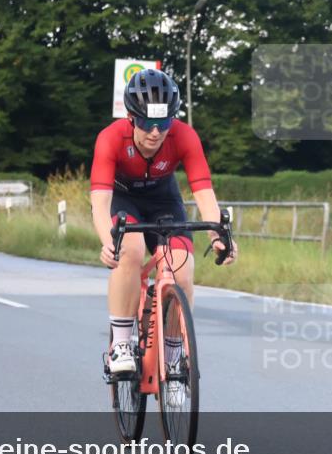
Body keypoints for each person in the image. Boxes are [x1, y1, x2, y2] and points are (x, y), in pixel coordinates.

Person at [90, 68, 236, 378]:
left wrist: (217, 236)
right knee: (129, 249)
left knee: (182, 267)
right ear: (131, 118)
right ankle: (121, 344)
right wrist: (107, 241)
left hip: (164, 200)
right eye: (146, 123)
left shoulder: (185, 136)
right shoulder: (110, 138)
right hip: (124, 200)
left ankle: (173, 356)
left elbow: (204, 193)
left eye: (163, 123)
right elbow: (100, 203)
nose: (155, 132)